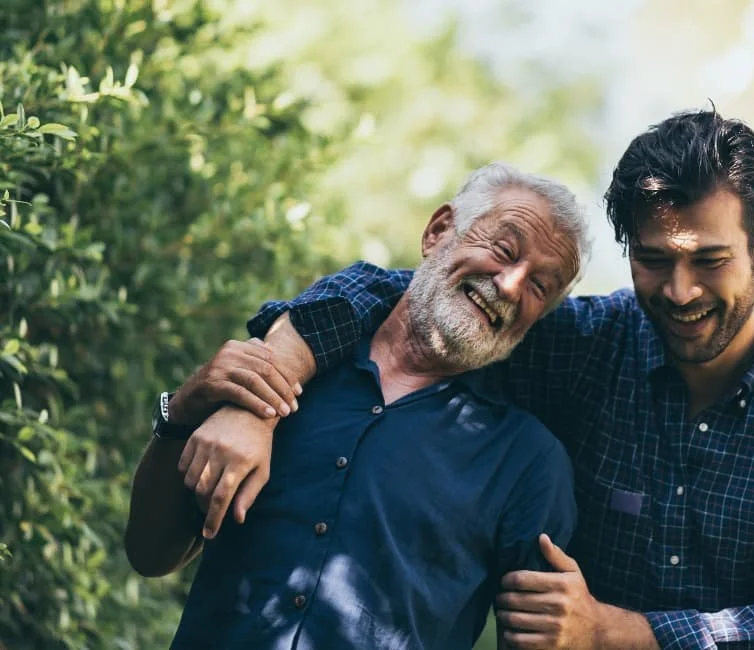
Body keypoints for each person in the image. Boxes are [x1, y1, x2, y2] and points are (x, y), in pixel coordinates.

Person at [178, 109, 754, 650]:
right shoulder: (584, 346)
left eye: (708, 261)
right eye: (652, 260)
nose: (678, 292)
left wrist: (610, 629)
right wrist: (264, 390)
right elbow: (409, 297)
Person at [125, 162, 591, 648]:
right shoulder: (282, 368)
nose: (512, 286)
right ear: (438, 231)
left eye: (540, 286)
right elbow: (150, 553)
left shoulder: (530, 464)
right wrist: (180, 412)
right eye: (503, 249)